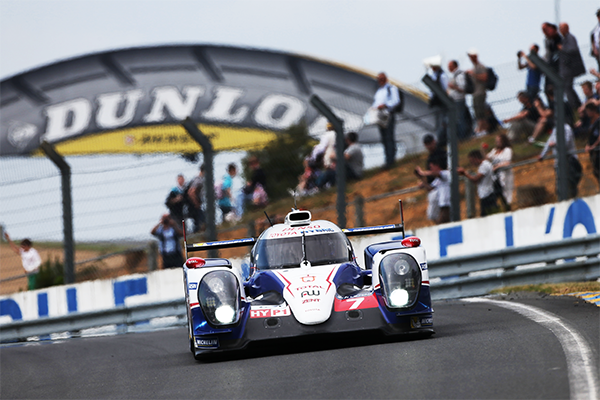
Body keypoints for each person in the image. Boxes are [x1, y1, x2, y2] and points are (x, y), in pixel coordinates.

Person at [538, 123, 582, 199]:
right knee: (560, 187)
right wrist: (542, 155)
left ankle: (572, 199)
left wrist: (555, 144)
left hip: (569, 161)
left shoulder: (566, 128)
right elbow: (549, 142)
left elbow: (566, 143)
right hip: (558, 163)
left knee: (571, 184)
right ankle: (563, 201)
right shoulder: (555, 129)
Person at [371, 72, 401, 169]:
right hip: (380, 116)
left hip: (388, 115)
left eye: (382, 79)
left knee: (389, 136)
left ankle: (390, 160)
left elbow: (396, 101)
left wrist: (385, 105)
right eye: (379, 79)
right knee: (384, 138)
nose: (380, 81)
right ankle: (387, 159)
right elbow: (376, 103)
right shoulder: (379, 91)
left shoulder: (391, 88)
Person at [458, 150, 498, 217]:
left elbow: (476, 179)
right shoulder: (483, 165)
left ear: (476, 158)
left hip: (487, 195)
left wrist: (465, 173)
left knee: (486, 215)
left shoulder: (484, 165)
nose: (471, 163)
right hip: (485, 194)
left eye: (472, 161)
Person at [557, 23, 586, 113]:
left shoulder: (570, 38)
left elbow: (573, 49)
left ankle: (575, 105)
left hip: (570, 68)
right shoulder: (565, 39)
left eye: (562, 28)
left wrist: (562, 48)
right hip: (567, 68)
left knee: (568, 87)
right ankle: (575, 105)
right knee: (567, 87)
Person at [415, 159, 451, 224]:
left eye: (431, 167)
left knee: (443, 222)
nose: (430, 170)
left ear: (437, 166)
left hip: (448, 204)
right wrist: (421, 178)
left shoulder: (446, 173)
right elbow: (431, 188)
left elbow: (436, 173)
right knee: (440, 222)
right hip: (442, 204)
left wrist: (423, 173)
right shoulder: (438, 179)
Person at [486, 133, 514, 211]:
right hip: (495, 177)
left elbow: (507, 162)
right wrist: (483, 149)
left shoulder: (507, 150)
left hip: (504, 175)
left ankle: (507, 208)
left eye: (499, 141)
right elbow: (487, 158)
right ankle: (497, 209)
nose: (497, 143)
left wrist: (497, 166)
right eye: (496, 141)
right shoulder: (494, 150)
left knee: (505, 193)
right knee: (496, 194)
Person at [447, 60, 473, 141]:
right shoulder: (455, 75)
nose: (448, 68)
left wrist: (453, 87)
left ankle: (463, 137)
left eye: (450, 66)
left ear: (454, 66)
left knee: (460, 119)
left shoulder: (459, 75)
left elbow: (462, 88)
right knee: (461, 118)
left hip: (459, 100)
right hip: (455, 100)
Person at [426, 57, 449, 146]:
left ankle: (443, 140)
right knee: (439, 122)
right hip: (437, 103)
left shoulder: (442, 76)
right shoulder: (435, 75)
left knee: (443, 121)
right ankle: (441, 139)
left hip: (442, 103)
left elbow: (446, 88)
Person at [466, 48, 489, 136]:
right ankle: (480, 128)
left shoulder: (480, 66)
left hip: (480, 92)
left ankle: (484, 129)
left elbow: (484, 77)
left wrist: (473, 74)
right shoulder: (474, 67)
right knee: (477, 112)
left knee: (480, 111)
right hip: (475, 93)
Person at [583, 103, 600, 186]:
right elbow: (590, 136)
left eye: (588, 111)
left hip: (598, 151)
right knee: (596, 172)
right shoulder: (591, 122)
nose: (587, 113)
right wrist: (588, 145)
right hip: (594, 153)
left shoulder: (598, 120)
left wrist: (593, 146)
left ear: (593, 111)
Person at [186, 164, 205, 233]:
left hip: (193, 205)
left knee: (199, 221)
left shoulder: (197, 178)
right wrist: (196, 202)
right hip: (194, 205)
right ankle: (196, 236)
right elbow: (191, 192)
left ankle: (196, 235)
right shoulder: (198, 179)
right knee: (201, 220)